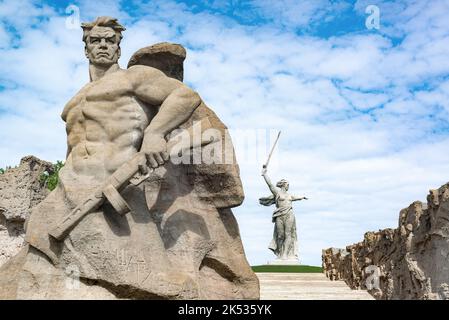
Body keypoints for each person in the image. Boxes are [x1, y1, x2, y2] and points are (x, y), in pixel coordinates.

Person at [260, 166, 308, 261]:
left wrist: (302, 197)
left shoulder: (290, 195)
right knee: (280, 235)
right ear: (283, 185)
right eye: (287, 184)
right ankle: (280, 254)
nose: (288, 186)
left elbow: (297, 198)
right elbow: (270, 185)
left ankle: (285, 254)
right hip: (279, 215)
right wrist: (264, 174)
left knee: (288, 234)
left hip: (289, 214)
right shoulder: (277, 193)